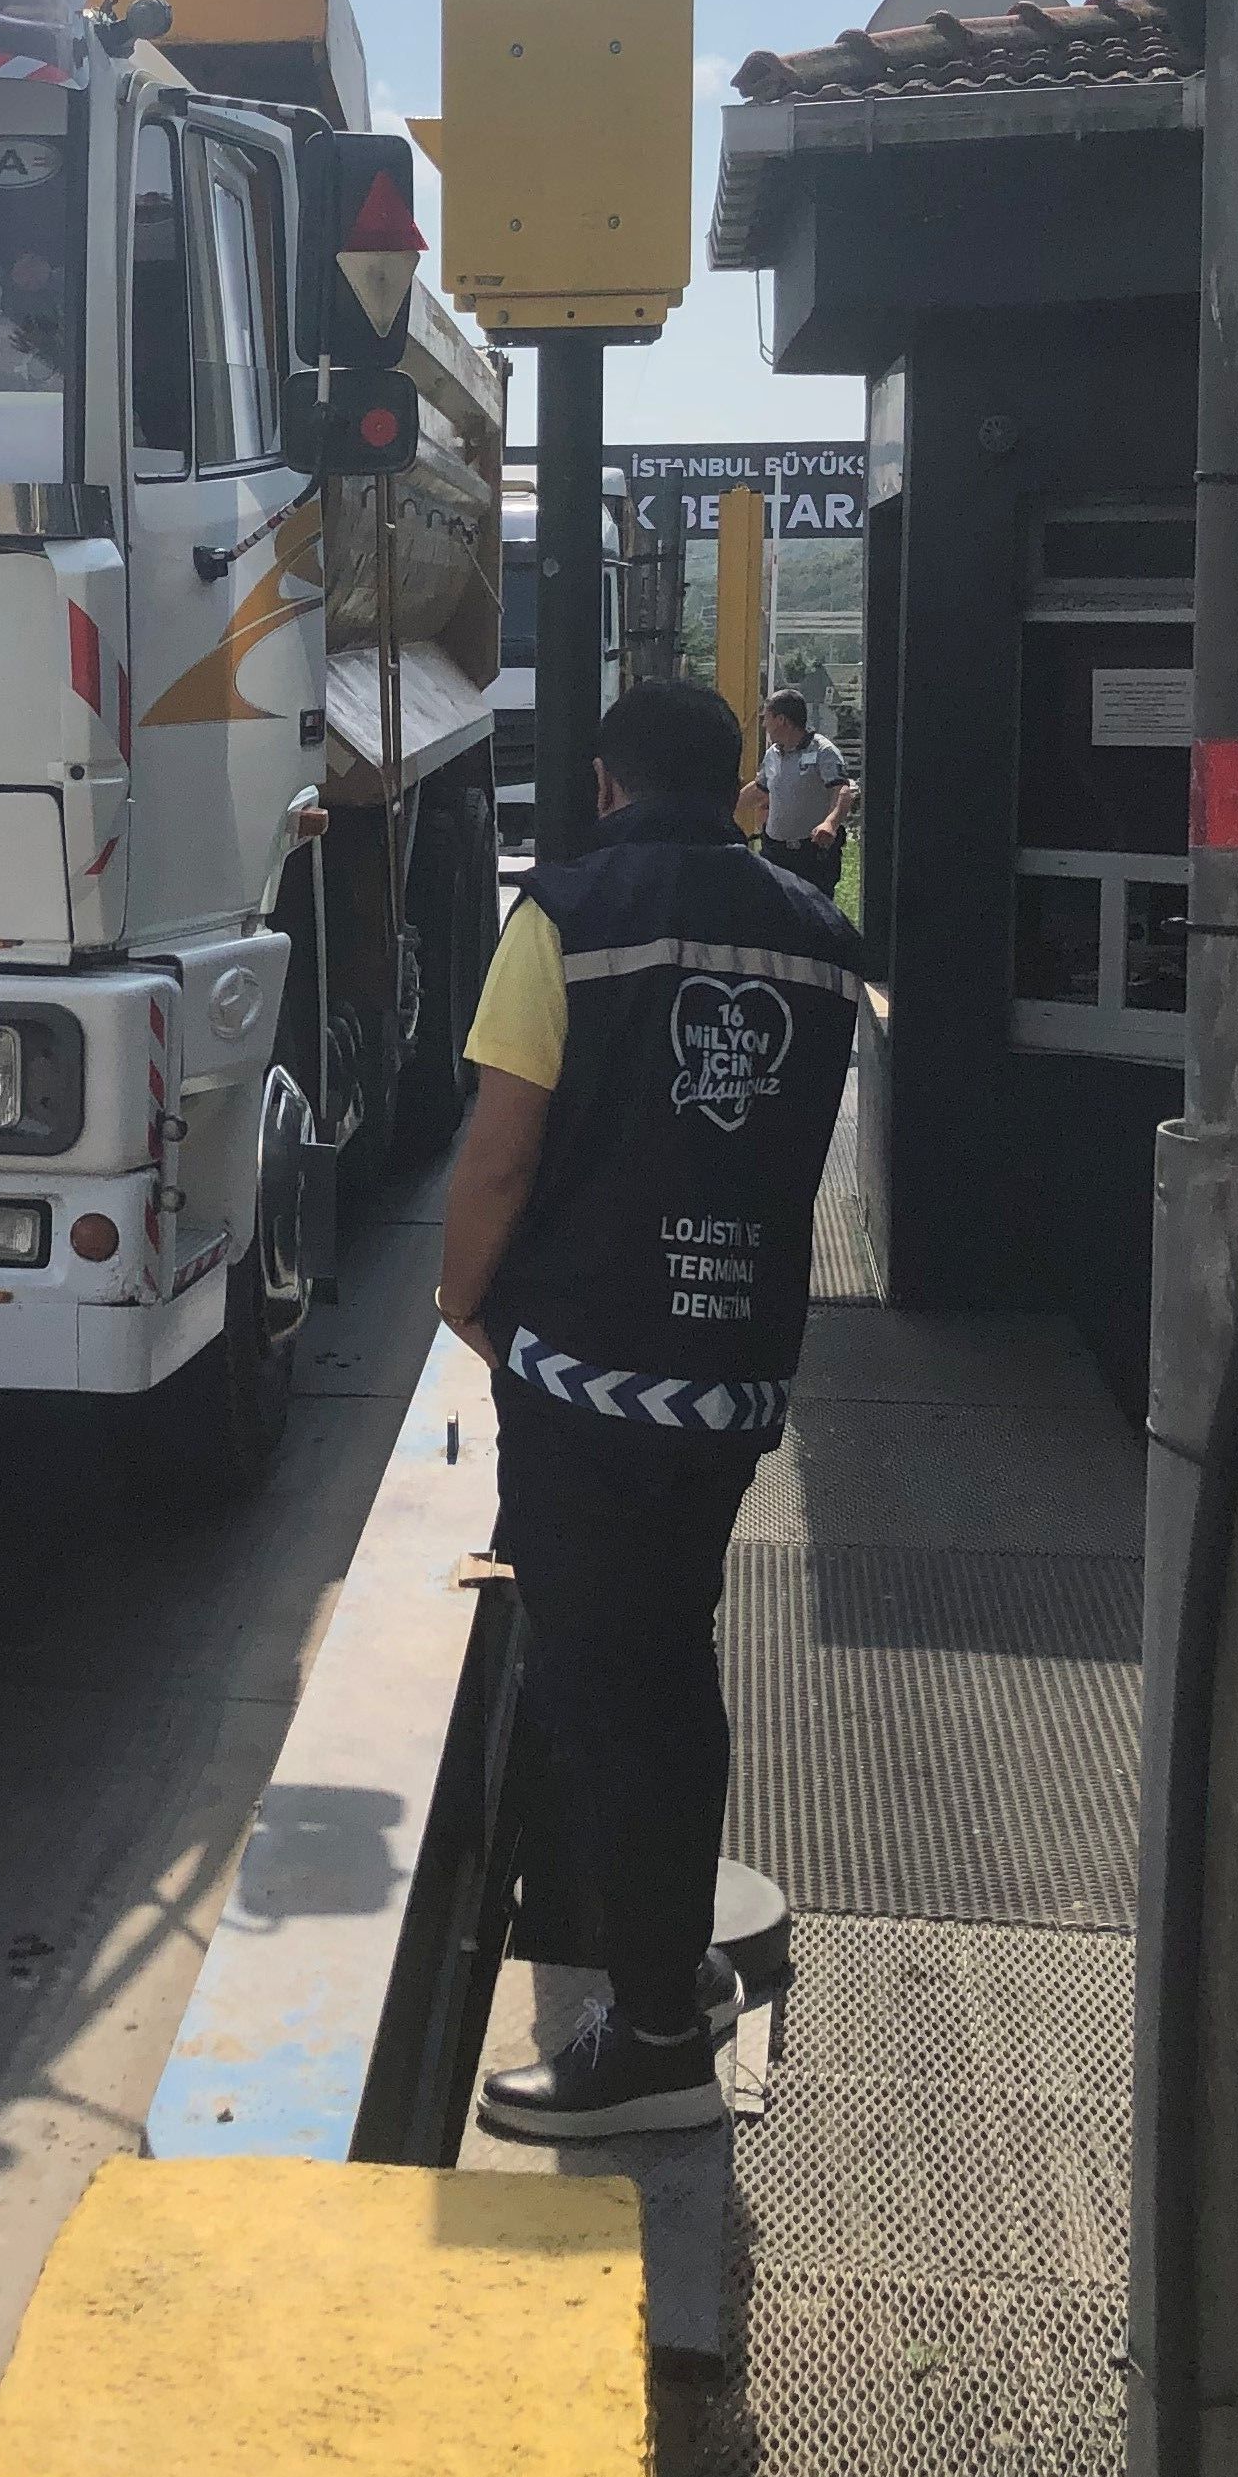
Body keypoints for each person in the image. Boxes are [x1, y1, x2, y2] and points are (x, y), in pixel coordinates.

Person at [437, 677, 863, 2138]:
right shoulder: (819, 938)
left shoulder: (564, 917)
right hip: (732, 1370)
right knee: (671, 1658)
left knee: (610, 1688)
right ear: (739, 788)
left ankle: (658, 2037)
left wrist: (463, 1299)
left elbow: (501, 1153)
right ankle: (673, 1966)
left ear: (608, 785)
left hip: (590, 1370)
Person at [753, 688, 855, 897]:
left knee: (814, 910)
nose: (764, 725)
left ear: (781, 720)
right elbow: (759, 789)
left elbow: (842, 790)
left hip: (811, 854)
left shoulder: (823, 751)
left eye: (767, 718)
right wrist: (725, 807)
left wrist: (830, 823)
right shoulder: (772, 754)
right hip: (775, 852)